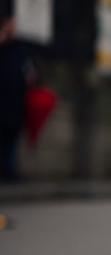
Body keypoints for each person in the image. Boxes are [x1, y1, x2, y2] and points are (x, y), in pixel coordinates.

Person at [0, 16, 34, 181]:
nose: (12, 28)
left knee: (12, 139)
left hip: (16, 102)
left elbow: (29, 72)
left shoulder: (20, 49)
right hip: (3, 100)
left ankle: (9, 172)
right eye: (9, 25)